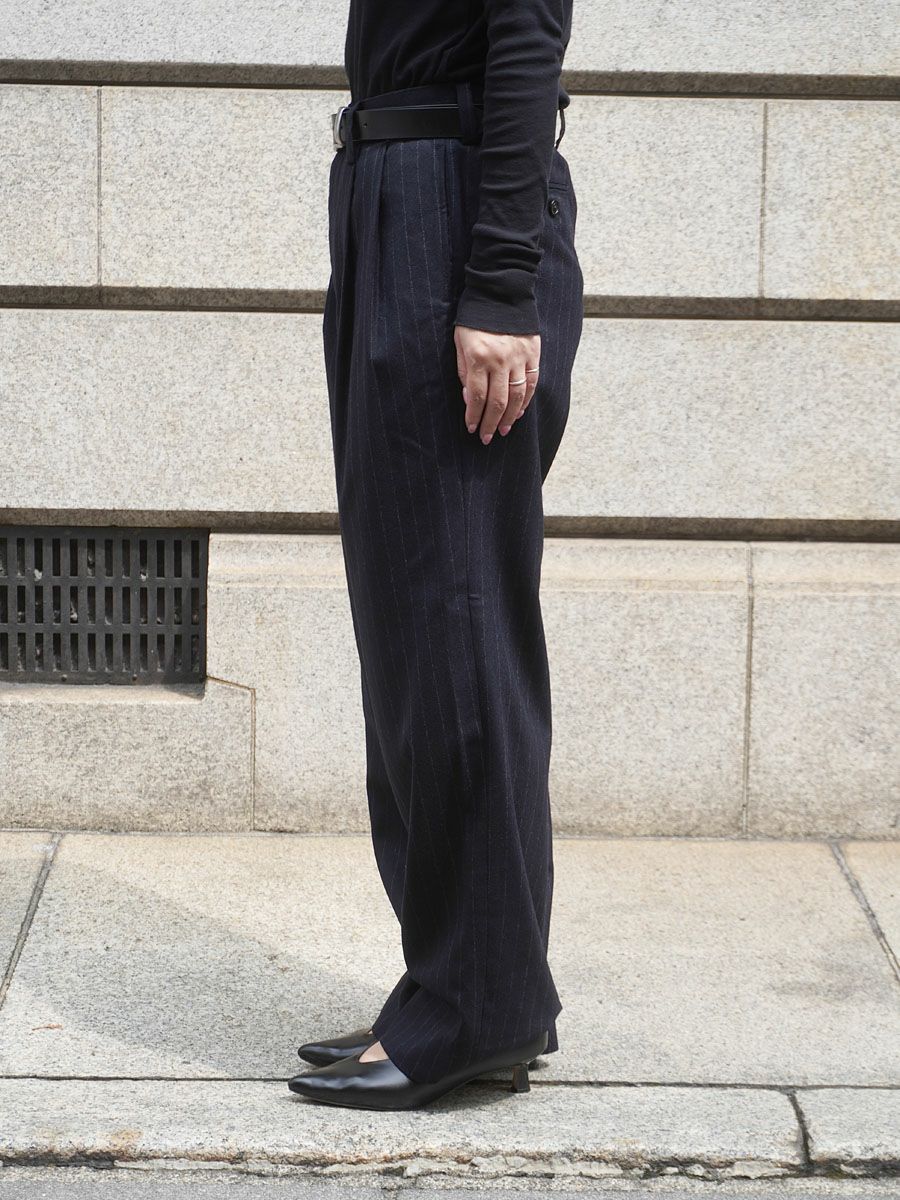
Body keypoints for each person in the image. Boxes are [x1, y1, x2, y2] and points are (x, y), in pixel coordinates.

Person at [288, 0, 583, 1111]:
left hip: (450, 213)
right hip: (392, 198)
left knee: (454, 626)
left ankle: (477, 1008)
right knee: (419, 637)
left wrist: (500, 278)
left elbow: (526, 34)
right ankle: (465, 986)